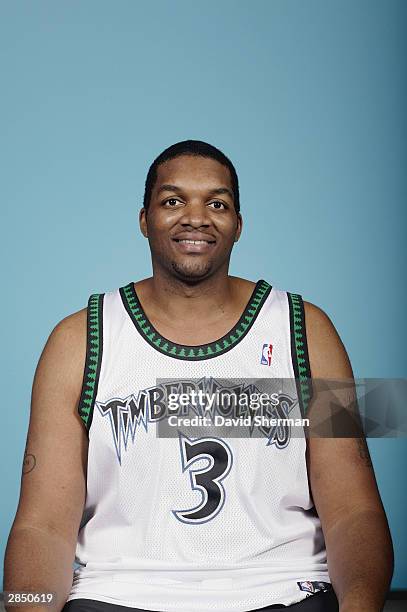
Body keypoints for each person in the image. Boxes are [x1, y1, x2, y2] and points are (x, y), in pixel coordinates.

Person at [4, 140, 394, 612]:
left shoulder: (308, 329)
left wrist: (361, 606)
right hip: (117, 594)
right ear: (144, 219)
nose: (196, 217)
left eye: (217, 203)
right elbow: (41, 526)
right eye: (173, 201)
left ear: (238, 224)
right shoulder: (79, 339)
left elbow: (355, 509)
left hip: (285, 590)